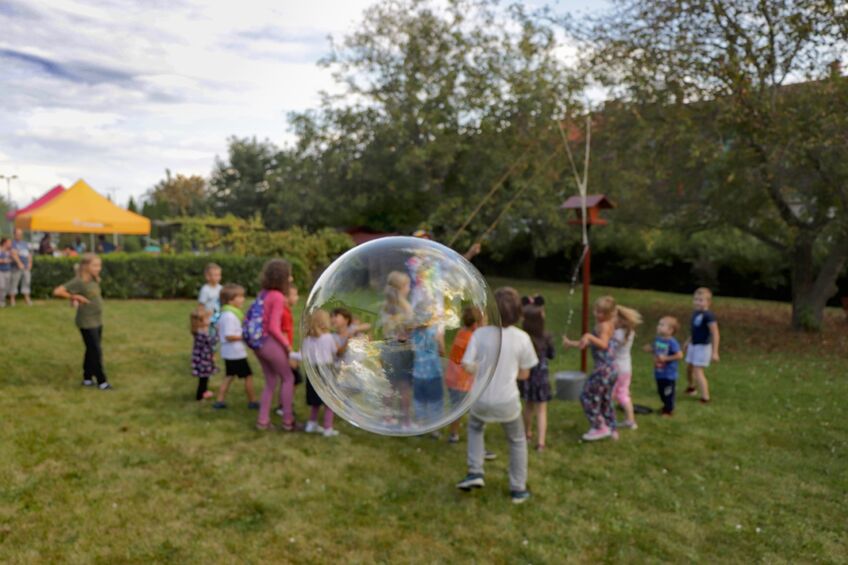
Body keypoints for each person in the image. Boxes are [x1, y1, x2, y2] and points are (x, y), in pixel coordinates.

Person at [456, 287, 537, 504]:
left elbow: (466, 364)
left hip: (480, 399)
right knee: (517, 440)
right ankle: (518, 489)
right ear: (519, 312)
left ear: (490, 311)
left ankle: (475, 472)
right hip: (507, 401)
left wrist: (480, 369)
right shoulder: (522, 338)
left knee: (475, 428)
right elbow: (525, 373)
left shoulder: (480, 335)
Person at [53, 253, 112, 390]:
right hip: (87, 322)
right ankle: (102, 381)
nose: (99, 268)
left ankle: (87, 378)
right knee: (96, 351)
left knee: (91, 350)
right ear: (86, 266)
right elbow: (58, 291)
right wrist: (75, 297)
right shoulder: (79, 281)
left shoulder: (93, 279)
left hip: (97, 320)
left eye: (99, 265)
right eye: (95, 265)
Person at [563, 296, 619, 442]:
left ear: (609, 314)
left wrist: (588, 335)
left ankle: (600, 427)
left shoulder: (604, 325)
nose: (597, 314)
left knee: (586, 396)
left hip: (604, 369)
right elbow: (589, 343)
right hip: (612, 369)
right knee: (605, 399)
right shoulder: (608, 323)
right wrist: (572, 343)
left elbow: (603, 344)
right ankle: (612, 428)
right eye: (597, 310)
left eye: (602, 312)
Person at [255, 259, 297, 431]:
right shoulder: (278, 297)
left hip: (257, 343)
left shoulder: (263, 293)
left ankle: (262, 421)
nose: (291, 278)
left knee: (271, 380)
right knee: (288, 378)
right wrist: (287, 346)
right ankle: (288, 421)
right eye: (289, 275)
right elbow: (273, 327)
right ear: (283, 277)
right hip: (269, 343)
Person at [213, 284, 258, 410]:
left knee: (229, 376)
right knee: (248, 376)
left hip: (230, 352)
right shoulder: (229, 316)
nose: (243, 299)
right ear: (231, 300)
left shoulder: (228, 313)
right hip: (235, 353)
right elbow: (228, 335)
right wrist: (245, 336)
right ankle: (252, 401)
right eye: (240, 297)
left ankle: (220, 401)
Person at [379, 272, 415, 428]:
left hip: (388, 348)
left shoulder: (385, 307)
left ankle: (386, 417)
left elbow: (384, 330)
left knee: (390, 385)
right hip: (402, 350)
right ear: (401, 288)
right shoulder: (406, 309)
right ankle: (405, 421)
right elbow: (409, 331)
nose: (410, 288)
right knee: (404, 386)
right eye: (407, 285)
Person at [519, 299, 555, 451]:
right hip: (541, 379)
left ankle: (527, 434)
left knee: (528, 406)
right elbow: (552, 355)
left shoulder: (522, 338)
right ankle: (541, 443)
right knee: (541, 410)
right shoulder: (546, 337)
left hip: (526, 378)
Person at [444, 305, 482, 443]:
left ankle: (454, 429)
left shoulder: (461, 332)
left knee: (456, 406)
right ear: (475, 324)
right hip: (461, 380)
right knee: (458, 409)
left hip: (451, 376)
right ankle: (453, 434)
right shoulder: (472, 338)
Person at [301, 309, 340, 437]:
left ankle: (311, 424)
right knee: (330, 401)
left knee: (315, 400)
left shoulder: (307, 339)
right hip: (326, 370)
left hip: (312, 371)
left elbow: (304, 356)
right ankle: (328, 428)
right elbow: (335, 353)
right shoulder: (328, 337)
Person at [684, 287, 720, 403]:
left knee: (697, 370)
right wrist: (688, 341)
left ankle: (705, 397)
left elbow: (715, 333)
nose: (697, 302)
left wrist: (715, 352)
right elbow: (695, 330)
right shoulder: (695, 313)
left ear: (708, 302)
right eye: (695, 299)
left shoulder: (709, 316)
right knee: (689, 368)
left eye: (701, 300)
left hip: (703, 347)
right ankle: (691, 387)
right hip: (693, 345)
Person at [612, 305, 643, 430]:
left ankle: (608, 419)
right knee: (623, 393)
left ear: (621, 320)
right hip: (626, 368)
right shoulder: (629, 332)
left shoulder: (617, 334)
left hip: (617, 368)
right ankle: (630, 420)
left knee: (614, 394)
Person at [645, 316, 683, 416]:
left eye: (662, 325)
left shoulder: (672, 342)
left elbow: (679, 355)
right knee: (661, 391)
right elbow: (656, 350)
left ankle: (669, 410)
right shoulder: (658, 340)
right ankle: (666, 406)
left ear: (670, 330)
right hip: (659, 371)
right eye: (659, 324)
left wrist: (666, 358)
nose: (658, 326)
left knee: (668, 392)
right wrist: (650, 349)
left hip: (669, 373)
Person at [190, 305, 216, 401]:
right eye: (208, 318)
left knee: (206, 377)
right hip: (203, 359)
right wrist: (217, 332)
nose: (210, 320)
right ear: (200, 322)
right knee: (203, 378)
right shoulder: (202, 333)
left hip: (204, 357)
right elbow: (212, 342)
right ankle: (200, 396)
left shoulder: (200, 331)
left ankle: (204, 392)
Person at [9, 229, 32, 306]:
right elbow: (13, 254)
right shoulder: (12, 243)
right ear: (14, 235)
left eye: (20, 234)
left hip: (26, 267)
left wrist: (29, 263)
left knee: (26, 282)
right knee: (14, 283)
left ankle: (27, 298)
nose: (19, 235)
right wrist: (19, 263)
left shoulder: (25, 243)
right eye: (17, 234)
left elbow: (29, 254)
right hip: (16, 267)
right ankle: (12, 299)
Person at [0, 237, 17, 307]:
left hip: (8, 271)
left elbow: (15, 257)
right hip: (1, 271)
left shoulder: (9, 251)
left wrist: (14, 254)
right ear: (4, 243)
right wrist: (5, 261)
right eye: (9, 243)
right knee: (1, 286)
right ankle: (1, 301)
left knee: (6, 287)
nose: (10, 244)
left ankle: (2, 301)